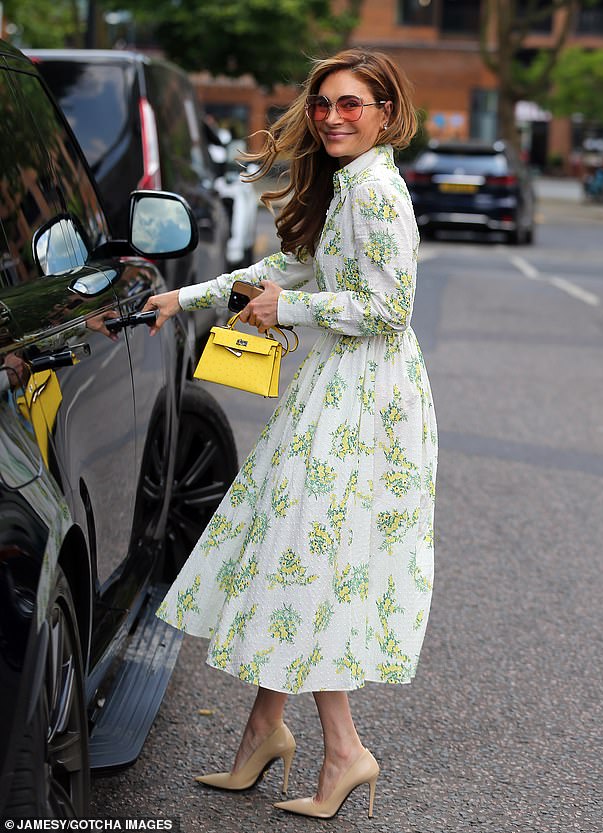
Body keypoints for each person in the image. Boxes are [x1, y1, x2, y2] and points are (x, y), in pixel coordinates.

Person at [143, 48, 437, 820]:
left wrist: (289, 311)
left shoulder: (376, 192)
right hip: (337, 390)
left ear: (386, 112)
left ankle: (343, 750)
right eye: (322, 105)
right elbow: (295, 267)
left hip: (364, 398)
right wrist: (186, 295)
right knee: (292, 549)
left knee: (307, 558)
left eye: (352, 105)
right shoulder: (350, 186)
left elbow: (389, 308)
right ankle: (262, 734)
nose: (333, 117)